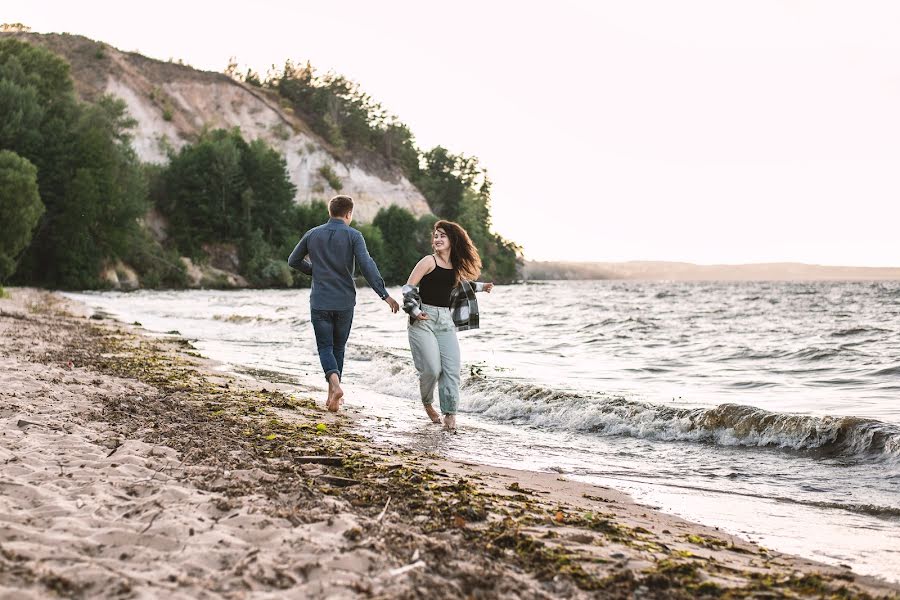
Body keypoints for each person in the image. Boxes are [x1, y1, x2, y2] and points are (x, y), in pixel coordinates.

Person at [288, 195, 400, 412]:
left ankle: (334, 390)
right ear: (349, 214)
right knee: (338, 347)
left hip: (320, 300)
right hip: (344, 302)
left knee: (325, 347)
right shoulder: (354, 236)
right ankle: (335, 394)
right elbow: (367, 265)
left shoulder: (312, 234)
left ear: (330, 212)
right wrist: (384, 294)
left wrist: (314, 271)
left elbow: (293, 260)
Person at [402, 220, 493, 431]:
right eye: (436, 236)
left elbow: (462, 286)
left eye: (443, 235)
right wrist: (415, 311)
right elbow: (408, 288)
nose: (438, 239)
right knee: (432, 369)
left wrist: (482, 287)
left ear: (452, 240)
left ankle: (450, 415)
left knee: (451, 369)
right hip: (422, 319)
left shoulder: (456, 267)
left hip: (445, 321)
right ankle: (427, 402)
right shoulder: (428, 261)